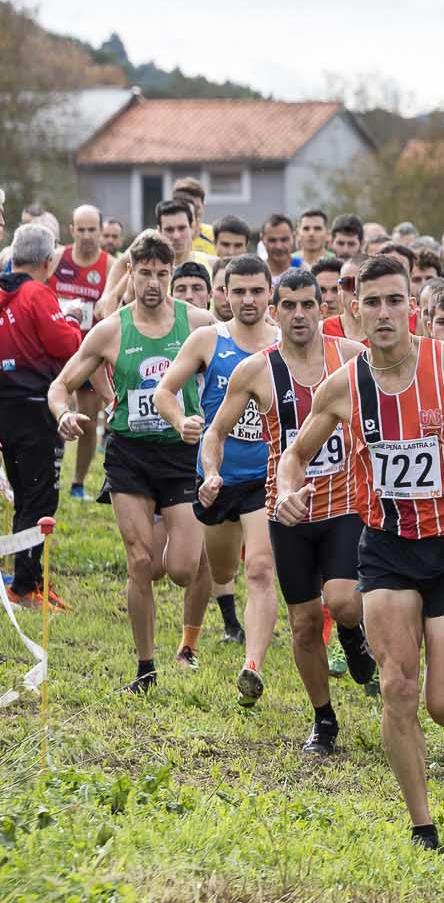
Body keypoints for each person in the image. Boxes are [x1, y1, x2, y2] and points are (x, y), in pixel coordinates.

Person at [273, 254, 444, 849]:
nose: (383, 313)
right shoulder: (344, 385)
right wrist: (286, 491)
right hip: (385, 550)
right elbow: (294, 453)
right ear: (355, 309)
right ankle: (421, 824)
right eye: (372, 302)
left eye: (394, 301)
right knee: (398, 689)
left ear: (412, 307)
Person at [203, 268, 375, 750]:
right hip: (287, 510)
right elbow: (215, 432)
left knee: (341, 599)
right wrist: (212, 471)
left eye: (309, 305)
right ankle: (324, 720)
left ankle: (353, 634)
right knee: (302, 623)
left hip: (345, 502)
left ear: (325, 309)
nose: (300, 315)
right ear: (275, 313)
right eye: (290, 307)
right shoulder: (256, 369)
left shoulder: (353, 359)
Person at [48, 230, 214, 690]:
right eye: (146, 273)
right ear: (131, 274)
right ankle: (146, 668)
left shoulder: (198, 323)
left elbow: (239, 366)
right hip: (130, 454)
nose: (155, 283)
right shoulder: (111, 330)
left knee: (181, 568)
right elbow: (60, 385)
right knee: (140, 563)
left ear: (173, 275)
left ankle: (164, 532)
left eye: (163, 274)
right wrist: (64, 414)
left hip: (182, 453)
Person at [156, 256, 281, 701]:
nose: (248, 300)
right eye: (239, 291)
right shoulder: (209, 339)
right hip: (215, 477)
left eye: (257, 291)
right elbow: (164, 391)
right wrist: (182, 422)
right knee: (215, 568)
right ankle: (189, 642)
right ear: (224, 293)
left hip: (267, 478)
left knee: (262, 569)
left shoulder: (286, 344)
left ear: (270, 293)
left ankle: (253, 666)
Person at [0, 223, 83, 607]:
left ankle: (25, 580)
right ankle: (26, 587)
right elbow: (65, 344)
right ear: (48, 261)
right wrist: (72, 320)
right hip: (35, 407)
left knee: (24, 493)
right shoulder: (37, 293)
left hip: (6, 408)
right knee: (39, 498)